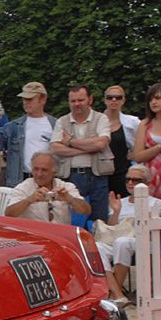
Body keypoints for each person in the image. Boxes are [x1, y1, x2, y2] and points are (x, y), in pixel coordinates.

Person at [98, 164, 161, 305]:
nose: (130, 183)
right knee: (98, 247)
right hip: (118, 240)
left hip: (144, 241)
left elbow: (154, 229)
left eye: (135, 180)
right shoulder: (120, 202)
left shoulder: (155, 203)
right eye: (128, 179)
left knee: (122, 242)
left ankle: (115, 292)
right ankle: (118, 294)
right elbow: (111, 227)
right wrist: (116, 211)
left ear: (146, 183)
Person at [49, 85, 113, 222]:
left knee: (99, 221)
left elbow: (101, 144)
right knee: (70, 219)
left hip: (97, 176)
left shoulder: (101, 118)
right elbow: (54, 148)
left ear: (90, 99)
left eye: (81, 100)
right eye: (73, 101)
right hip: (70, 176)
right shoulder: (62, 121)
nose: (77, 104)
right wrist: (89, 146)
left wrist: (70, 141)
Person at [0, 82, 57, 188]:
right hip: (20, 181)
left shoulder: (56, 124)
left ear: (43, 100)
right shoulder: (13, 126)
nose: (26, 102)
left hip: (49, 181)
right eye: (24, 99)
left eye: (30, 99)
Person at [4, 152, 91, 224]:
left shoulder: (65, 187)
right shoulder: (24, 187)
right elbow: (9, 214)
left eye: (44, 170)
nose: (39, 174)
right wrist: (29, 200)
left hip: (60, 236)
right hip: (33, 237)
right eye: (36, 169)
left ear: (54, 172)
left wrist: (70, 199)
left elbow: (86, 210)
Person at [101, 86, 141, 197]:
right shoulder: (97, 121)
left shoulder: (133, 122)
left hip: (123, 172)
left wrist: (134, 154)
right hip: (102, 174)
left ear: (123, 101)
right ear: (105, 100)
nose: (114, 100)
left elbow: (145, 143)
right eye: (110, 97)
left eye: (118, 97)